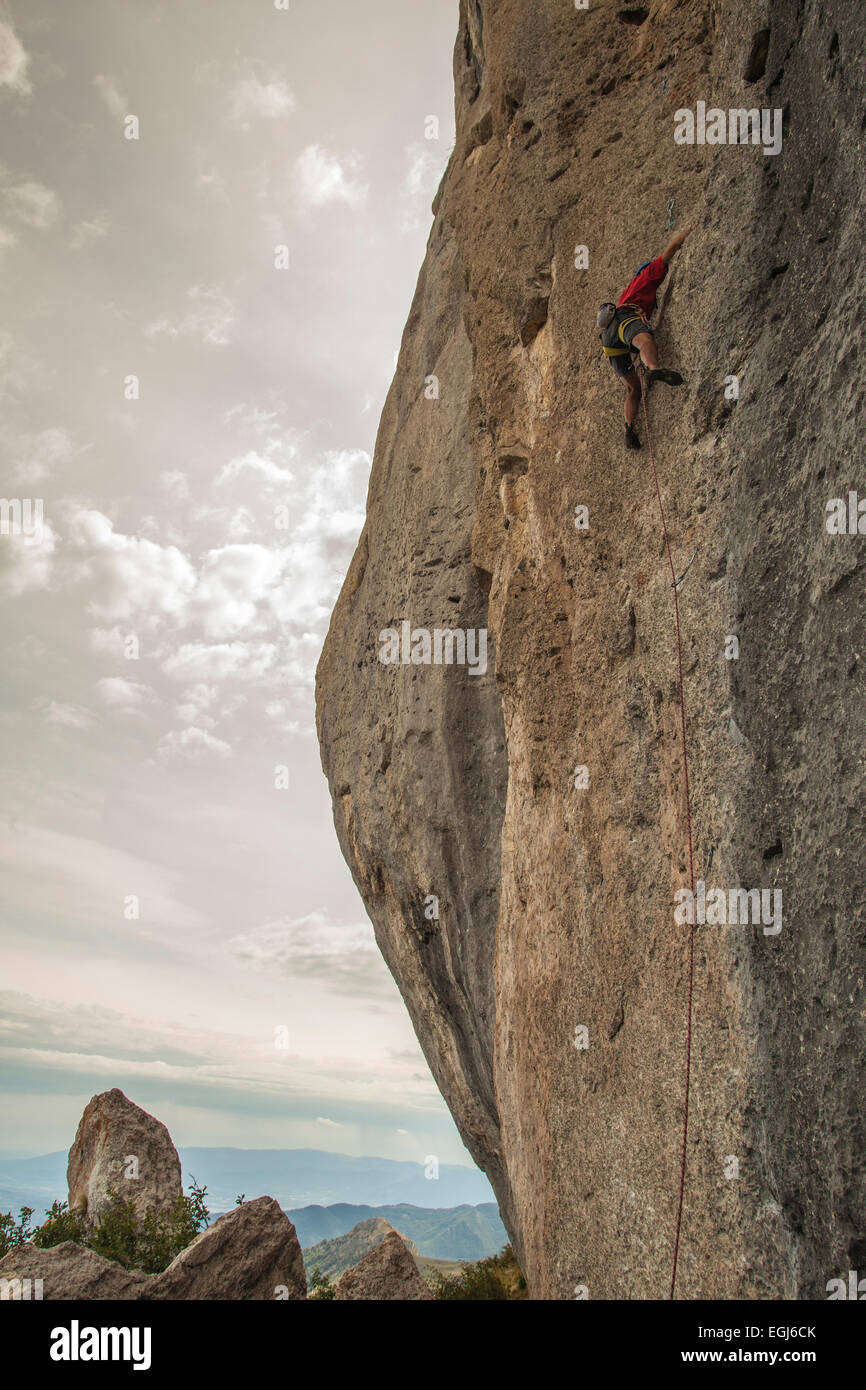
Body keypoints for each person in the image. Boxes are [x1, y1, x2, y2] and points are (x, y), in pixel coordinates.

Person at [598, 224, 695, 450]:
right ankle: (653, 368)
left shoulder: (629, 290)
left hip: (609, 343)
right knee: (645, 340)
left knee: (634, 389)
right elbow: (669, 252)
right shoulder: (645, 276)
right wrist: (687, 233)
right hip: (625, 319)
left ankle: (629, 428)